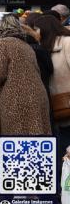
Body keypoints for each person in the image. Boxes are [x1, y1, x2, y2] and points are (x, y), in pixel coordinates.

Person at [0, 14, 51, 136]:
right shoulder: (25, 45)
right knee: (36, 136)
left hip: (16, 98)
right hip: (38, 95)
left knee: (17, 139)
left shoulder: (2, 43)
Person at [33, 15, 70, 171]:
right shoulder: (43, 47)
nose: (35, 32)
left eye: (36, 29)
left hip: (66, 101)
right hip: (54, 105)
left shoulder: (66, 43)